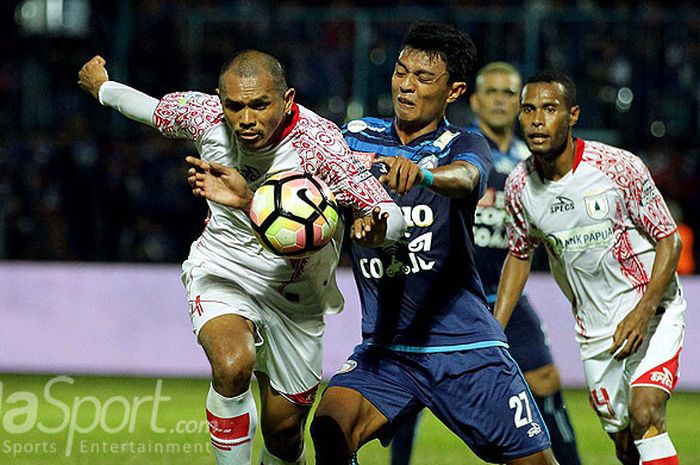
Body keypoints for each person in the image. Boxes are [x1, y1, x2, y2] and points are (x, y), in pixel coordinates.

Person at [78, 51, 405, 465]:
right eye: (235, 106)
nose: (246, 119)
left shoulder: (319, 144)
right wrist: (103, 87)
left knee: (285, 437)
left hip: (297, 299)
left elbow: (387, 211)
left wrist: (377, 227)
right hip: (224, 269)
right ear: (220, 100)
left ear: (287, 100)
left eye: (259, 105)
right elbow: (151, 109)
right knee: (233, 366)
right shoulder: (204, 115)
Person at [310, 23, 558, 465]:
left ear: (454, 91)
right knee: (329, 428)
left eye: (423, 78)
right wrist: (248, 195)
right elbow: (303, 180)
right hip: (387, 350)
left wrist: (422, 174)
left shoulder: (463, 144)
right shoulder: (355, 136)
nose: (406, 85)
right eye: (401, 71)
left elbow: (467, 179)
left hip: (463, 348)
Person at [494, 70, 685, 465]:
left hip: (652, 311)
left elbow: (670, 239)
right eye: (528, 110)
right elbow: (519, 253)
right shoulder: (519, 187)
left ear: (572, 115)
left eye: (549, 109)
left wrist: (643, 311)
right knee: (625, 443)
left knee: (645, 411)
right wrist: (494, 329)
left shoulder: (618, 167)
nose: (536, 120)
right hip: (596, 331)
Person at [468, 62, 581, 464]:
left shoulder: (530, 161)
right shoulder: (458, 149)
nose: (501, 100)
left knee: (546, 379)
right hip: (455, 295)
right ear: (475, 100)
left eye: (509, 93)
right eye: (492, 91)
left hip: (505, 291)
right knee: (411, 391)